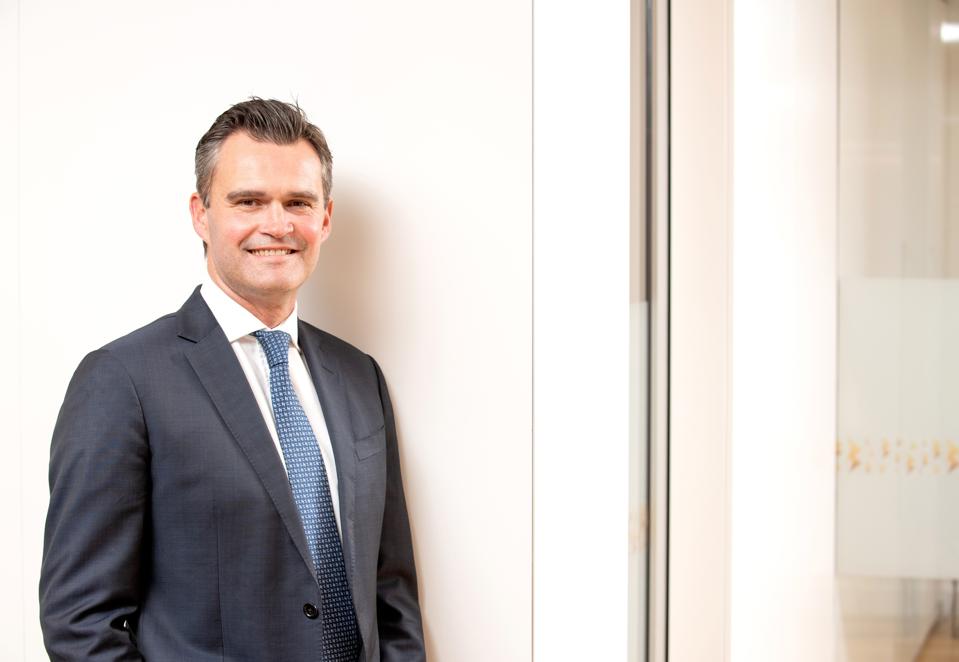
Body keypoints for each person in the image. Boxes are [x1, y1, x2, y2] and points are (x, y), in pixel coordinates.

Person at [39, 98, 425, 661]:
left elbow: (392, 595)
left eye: (298, 202)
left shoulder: (358, 375)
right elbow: (80, 621)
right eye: (249, 201)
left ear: (325, 218)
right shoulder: (123, 380)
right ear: (201, 214)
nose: (278, 224)